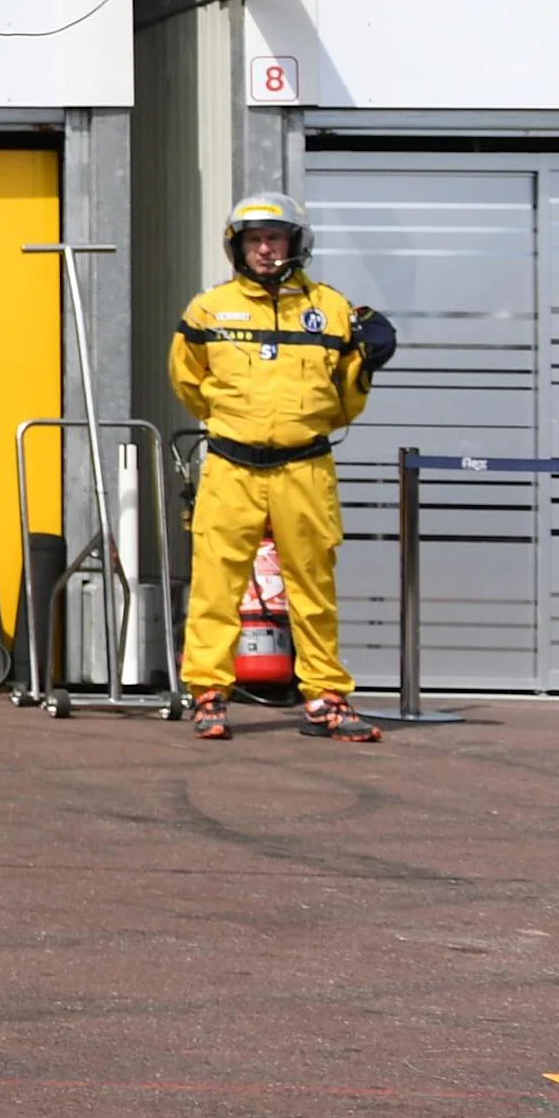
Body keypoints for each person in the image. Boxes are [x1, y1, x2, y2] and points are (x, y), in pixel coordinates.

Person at [172, 192, 396, 743]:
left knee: (312, 585)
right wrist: (239, 424)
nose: (265, 250)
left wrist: (368, 361)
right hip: (231, 466)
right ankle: (207, 694)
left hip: (306, 467)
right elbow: (189, 384)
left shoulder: (332, 309)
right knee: (215, 586)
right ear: (237, 248)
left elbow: (346, 399)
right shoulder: (208, 310)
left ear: (297, 243)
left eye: (274, 239)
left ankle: (325, 698)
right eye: (253, 241)